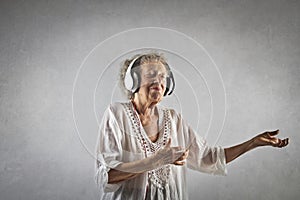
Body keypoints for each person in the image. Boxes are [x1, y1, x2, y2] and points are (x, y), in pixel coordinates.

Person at [95, 52, 289, 200]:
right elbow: (107, 177)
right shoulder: (116, 114)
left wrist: (253, 143)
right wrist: (156, 161)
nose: (160, 81)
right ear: (133, 81)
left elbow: (208, 157)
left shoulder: (173, 118)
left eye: (163, 76)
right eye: (152, 74)